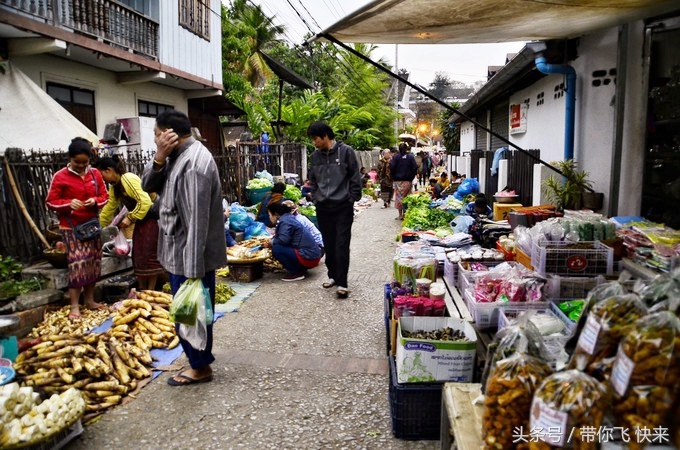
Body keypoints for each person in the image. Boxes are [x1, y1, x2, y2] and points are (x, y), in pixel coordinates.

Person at [142, 110, 226, 386]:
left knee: (193, 311)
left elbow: (196, 223)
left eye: (156, 134)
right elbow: (147, 186)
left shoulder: (194, 164)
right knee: (186, 311)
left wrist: (192, 273)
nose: (155, 139)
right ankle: (197, 360)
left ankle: (200, 367)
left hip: (190, 257)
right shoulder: (175, 157)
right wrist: (158, 158)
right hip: (178, 252)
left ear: (169, 134)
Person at [46, 137, 109, 320]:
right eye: (77, 162)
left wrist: (95, 201)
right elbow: (50, 202)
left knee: (92, 263)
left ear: (90, 159)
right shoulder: (60, 177)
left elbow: (104, 196)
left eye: (85, 162)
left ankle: (89, 300)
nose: (81, 166)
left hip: (92, 226)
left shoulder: (96, 174)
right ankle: (74, 306)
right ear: (69, 159)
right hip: (71, 228)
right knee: (77, 264)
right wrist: (67, 204)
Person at [307, 121, 362, 299]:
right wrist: (315, 197)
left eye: (315, 138)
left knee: (341, 244)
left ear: (325, 136)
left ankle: (342, 283)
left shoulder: (346, 152)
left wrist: (352, 197)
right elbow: (312, 180)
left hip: (343, 207)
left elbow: (355, 176)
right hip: (323, 207)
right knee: (329, 244)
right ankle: (332, 275)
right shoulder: (315, 156)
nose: (314, 142)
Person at [97, 155, 165, 291]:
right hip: (141, 221)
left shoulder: (128, 179)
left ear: (109, 170)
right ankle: (141, 289)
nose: (101, 179)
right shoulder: (115, 187)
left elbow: (145, 202)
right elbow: (109, 207)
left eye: (101, 174)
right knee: (138, 255)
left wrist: (130, 217)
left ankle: (150, 291)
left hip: (153, 218)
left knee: (149, 255)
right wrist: (99, 226)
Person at [263, 201, 322, 281]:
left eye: (269, 215)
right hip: (313, 255)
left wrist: (271, 242)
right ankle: (300, 269)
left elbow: (283, 240)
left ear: (276, 214)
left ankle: (296, 273)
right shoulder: (288, 218)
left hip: (309, 258)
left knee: (277, 249)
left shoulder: (285, 221)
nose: (269, 217)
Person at [389, 142, 418, 220]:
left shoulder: (396, 157)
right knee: (407, 197)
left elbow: (391, 167)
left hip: (398, 180)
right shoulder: (410, 157)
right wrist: (412, 177)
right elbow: (415, 168)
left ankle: (400, 215)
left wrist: (394, 176)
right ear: (406, 149)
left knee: (399, 198)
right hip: (407, 181)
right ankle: (405, 214)